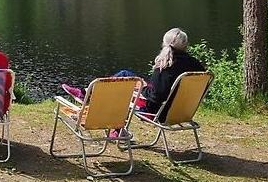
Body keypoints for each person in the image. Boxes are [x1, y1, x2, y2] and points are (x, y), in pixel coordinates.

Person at [62, 27, 206, 116]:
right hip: (182, 112)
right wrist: (145, 86)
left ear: (164, 43)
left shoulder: (165, 64)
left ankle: (87, 94)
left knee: (122, 86)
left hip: (156, 112)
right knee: (125, 74)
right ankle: (88, 95)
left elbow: (155, 97)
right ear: (185, 46)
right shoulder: (196, 66)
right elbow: (167, 89)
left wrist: (143, 88)